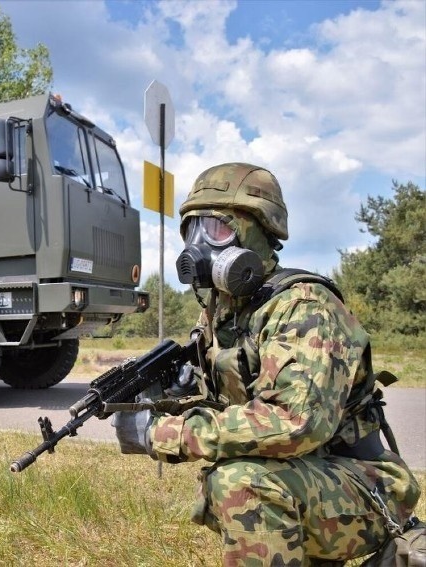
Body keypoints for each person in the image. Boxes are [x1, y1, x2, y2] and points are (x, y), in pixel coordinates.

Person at [112, 163, 420, 566]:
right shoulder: (226, 313)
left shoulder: (305, 307)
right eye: (191, 230)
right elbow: (236, 410)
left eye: (216, 228)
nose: (199, 245)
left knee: (242, 483)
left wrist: (163, 433)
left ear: (258, 231)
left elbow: (295, 423)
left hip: (368, 484)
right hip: (312, 472)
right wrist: (170, 398)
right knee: (239, 473)